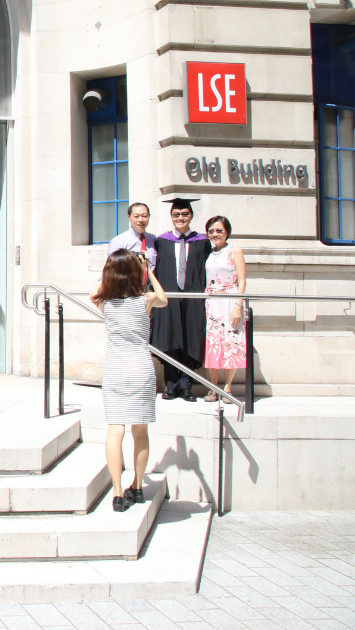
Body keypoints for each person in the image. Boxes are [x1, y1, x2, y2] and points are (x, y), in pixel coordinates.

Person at [91, 250, 168, 512]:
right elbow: (163, 298)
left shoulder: (105, 302)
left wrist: (108, 271)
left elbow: (94, 292)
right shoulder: (145, 300)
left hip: (115, 370)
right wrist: (148, 270)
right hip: (140, 369)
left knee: (115, 432)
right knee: (140, 432)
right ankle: (137, 486)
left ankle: (117, 492)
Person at [151, 198, 211, 402]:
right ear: (171, 216)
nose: (180, 218)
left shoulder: (202, 242)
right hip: (169, 298)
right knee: (169, 338)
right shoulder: (162, 241)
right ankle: (171, 385)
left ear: (191, 216)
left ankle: (186, 386)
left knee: (190, 339)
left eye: (185, 214)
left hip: (193, 297)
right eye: (176, 214)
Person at [202, 216, 247, 402]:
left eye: (219, 230)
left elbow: (242, 281)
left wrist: (238, 305)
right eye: (211, 231)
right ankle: (213, 387)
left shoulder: (235, 250)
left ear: (227, 232)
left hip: (230, 300)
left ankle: (228, 387)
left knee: (231, 343)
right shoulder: (208, 252)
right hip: (212, 301)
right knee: (212, 343)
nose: (215, 234)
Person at [106, 202, 157, 283]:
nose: (140, 220)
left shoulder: (153, 239)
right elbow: (111, 269)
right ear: (129, 217)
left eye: (144, 216)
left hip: (151, 288)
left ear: (149, 217)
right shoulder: (118, 241)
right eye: (136, 216)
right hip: (128, 288)